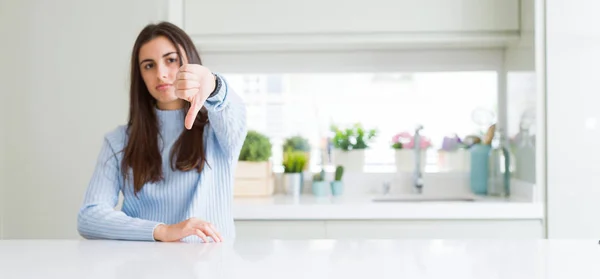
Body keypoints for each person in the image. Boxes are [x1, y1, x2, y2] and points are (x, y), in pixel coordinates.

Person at [77, 21, 247, 243]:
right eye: (149, 65)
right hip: (144, 267)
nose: (161, 74)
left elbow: (232, 111)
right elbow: (89, 217)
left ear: (189, 62)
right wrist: (162, 231)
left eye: (171, 60)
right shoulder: (119, 140)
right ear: (140, 75)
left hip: (210, 268)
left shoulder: (216, 130)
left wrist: (213, 85)